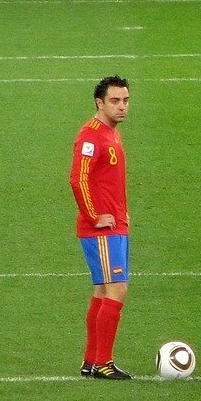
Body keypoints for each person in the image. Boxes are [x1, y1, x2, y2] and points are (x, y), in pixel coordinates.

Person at [71, 76, 134, 379]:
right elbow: (78, 179)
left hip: (116, 225)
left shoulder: (111, 133)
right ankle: (103, 363)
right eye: (115, 101)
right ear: (99, 103)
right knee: (116, 289)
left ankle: (91, 360)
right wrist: (95, 215)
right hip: (101, 229)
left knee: (101, 290)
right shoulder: (90, 135)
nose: (122, 107)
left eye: (125, 100)